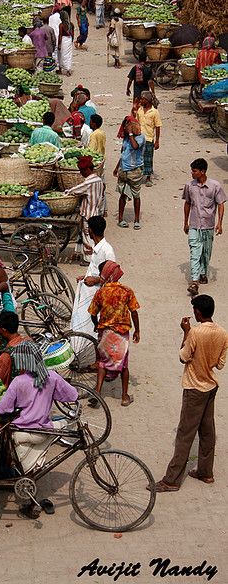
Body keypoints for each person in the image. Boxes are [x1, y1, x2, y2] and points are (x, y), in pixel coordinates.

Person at [153, 295, 228, 492]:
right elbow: (220, 364)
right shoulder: (223, 333)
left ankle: (171, 480)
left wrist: (186, 333)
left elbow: (183, 357)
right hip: (210, 387)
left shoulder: (195, 333)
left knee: (185, 435)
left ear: (198, 312)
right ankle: (206, 472)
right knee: (207, 431)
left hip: (194, 388)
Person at [0, 337, 78, 477]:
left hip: (22, 432)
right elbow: (72, 395)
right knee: (64, 421)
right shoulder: (52, 376)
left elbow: (3, 409)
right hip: (43, 431)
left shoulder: (18, 381)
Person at [89, 260, 140, 407]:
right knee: (123, 365)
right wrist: (137, 330)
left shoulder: (101, 292)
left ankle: (98, 392)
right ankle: (124, 397)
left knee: (103, 364)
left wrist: (96, 325)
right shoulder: (126, 291)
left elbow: (93, 313)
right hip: (121, 333)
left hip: (105, 332)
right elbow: (134, 312)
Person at [183, 159, 226, 297]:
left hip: (208, 226)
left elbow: (220, 204)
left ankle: (203, 272)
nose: (192, 173)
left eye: (194, 171)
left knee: (206, 253)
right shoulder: (189, 186)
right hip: (195, 225)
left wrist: (220, 223)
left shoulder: (215, 186)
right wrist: (186, 222)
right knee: (194, 251)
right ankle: (194, 281)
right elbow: (187, 203)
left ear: (203, 171)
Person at [66, 156, 104, 263]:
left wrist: (66, 192)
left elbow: (75, 190)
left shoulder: (89, 182)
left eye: (82, 171)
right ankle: (90, 256)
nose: (81, 173)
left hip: (89, 214)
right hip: (96, 211)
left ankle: (89, 260)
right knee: (92, 237)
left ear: (87, 169)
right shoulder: (99, 180)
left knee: (88, 236)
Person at [114, 115, 145, 230]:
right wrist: (117, 168)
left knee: (136, 195)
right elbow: (123, 154)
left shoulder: (141, 138)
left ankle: (136, 220)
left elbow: (135, 146)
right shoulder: (126, 139)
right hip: (124, 169)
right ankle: (120, 219)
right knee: (122, 194)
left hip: (135, 170)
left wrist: (131, 134)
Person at [135, 90, 162, 187]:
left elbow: (158, 126)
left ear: (147, 100)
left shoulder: (154, 112)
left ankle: (148, 177)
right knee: (139, 158)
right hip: (139, 138)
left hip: (149, 139)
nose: (141, 101)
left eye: (143, 99)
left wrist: (157, 141)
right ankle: (139, 176)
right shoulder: (140, 110)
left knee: (148, 158)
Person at [58, 9, 74, 76]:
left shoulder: (61, 25)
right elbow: (73, 34)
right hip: (69, 39)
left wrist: (59, 43)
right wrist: (71, 41)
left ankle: (62, 68)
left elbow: (60, 35)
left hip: (64, 40)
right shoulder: (71, 24)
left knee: (62, 54)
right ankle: (68, 68)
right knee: (68, 55)